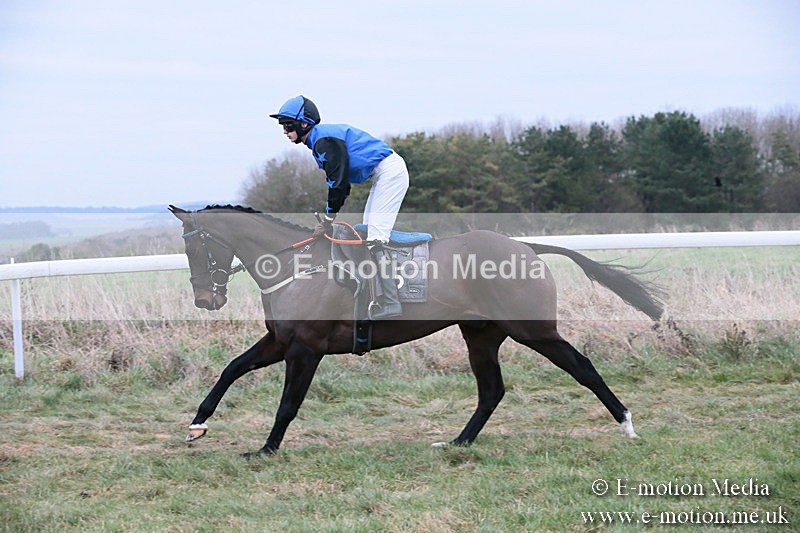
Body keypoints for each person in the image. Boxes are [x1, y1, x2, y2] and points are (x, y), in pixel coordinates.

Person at [269, 95, 409, 319]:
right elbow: (341, 187)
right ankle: (376, 294)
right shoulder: (318, 141)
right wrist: (328, 218)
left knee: (375, 238)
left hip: (389, 173)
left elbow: (339, 185)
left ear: (304, 124)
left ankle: (391, 301)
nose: (284, 131)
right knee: (366, 233)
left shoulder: (325, 141)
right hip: (381, 175)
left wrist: (327, 220)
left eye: (287, 125)